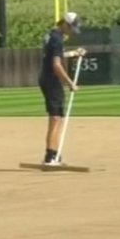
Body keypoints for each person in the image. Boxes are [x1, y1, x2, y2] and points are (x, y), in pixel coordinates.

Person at [39, 11, 86, 166]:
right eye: (71, 28)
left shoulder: (52, 35)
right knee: (56, 118)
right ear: (65, 24)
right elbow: (56, 65)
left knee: (57, 117)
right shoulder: (56, 39)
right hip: (52, 79)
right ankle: (51, 155)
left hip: (47, 78)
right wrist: (70, 83)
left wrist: (74, 53)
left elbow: (57, 55)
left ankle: (54, 154)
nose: (72, 32)